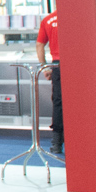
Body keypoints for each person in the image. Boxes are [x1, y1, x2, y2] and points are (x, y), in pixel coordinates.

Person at [34, 9, 61, 156]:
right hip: (76, 64)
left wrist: (45, 67)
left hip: (57, 65)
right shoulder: (75, 17)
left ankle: (57, 143)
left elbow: (39, 45)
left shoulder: (48, 20)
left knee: (58, 103)